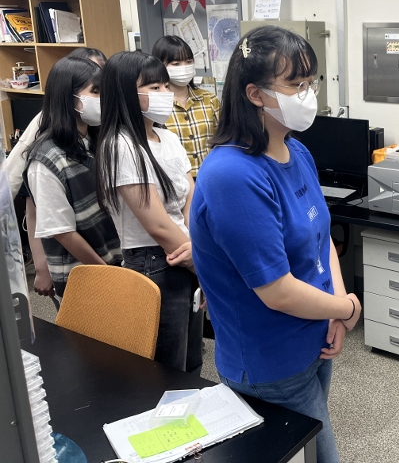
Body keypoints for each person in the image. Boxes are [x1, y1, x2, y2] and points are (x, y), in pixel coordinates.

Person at [190, 26, 362, 463]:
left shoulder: (295, 151)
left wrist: (337, 306)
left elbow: (321, 237)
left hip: (315, 338)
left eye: (311, 83)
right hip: (271, 362)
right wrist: (347, 309)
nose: (308, 95)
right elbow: (277, 291)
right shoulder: (233, 175)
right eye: (295, 84)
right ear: (255, 94)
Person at [95, 51, 202, 372]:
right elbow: (156, 224)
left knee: (191, 359)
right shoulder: (120, 145)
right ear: (125, 92)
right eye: (154, 88)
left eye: (165, 86)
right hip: (155, 261)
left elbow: (190, 198)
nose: (165, 94)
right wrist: (200, 264)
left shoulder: (167, 137)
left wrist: (198, 251)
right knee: (166, 369)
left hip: (187, 251)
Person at [5, 47, 107, 298]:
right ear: (68, 97)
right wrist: (109, 273)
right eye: (96, 91)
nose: (103, 98)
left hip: (108, 259)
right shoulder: (46, 158)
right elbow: (61, 230)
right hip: (83, 273)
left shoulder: (94, 139)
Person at [153, 35, 220, 178]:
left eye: (189, 62)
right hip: (175, 180)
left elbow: (224, 138)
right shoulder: (156, 105)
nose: (184, 68)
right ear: (160, 66)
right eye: (176, 64)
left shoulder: (210, 99)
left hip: (211, 176)